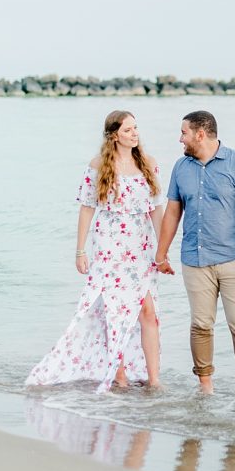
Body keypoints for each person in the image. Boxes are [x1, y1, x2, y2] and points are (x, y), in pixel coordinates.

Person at [26, 110, 166, 393]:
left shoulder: (149, 164)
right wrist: (80, 251)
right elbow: (87, 207)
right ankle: (120, 376)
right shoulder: (99, 165)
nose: (135, 134)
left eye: (136, 128)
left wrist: (163, 251)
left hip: (141, 249)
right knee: (115, 313)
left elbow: (156, 209)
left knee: (148, 313)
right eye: (128, 130)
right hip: (109, 248)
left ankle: (154, 380)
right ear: (115, 135)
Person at [154, 110, 235, 400]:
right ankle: (205, 390)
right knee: (201, 325)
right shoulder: (181, 167)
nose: (180, 138)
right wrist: (161, 254)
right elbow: (173, 212)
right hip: (195, 260)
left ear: (200, 134)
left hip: (234, 260)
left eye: (184, 133)